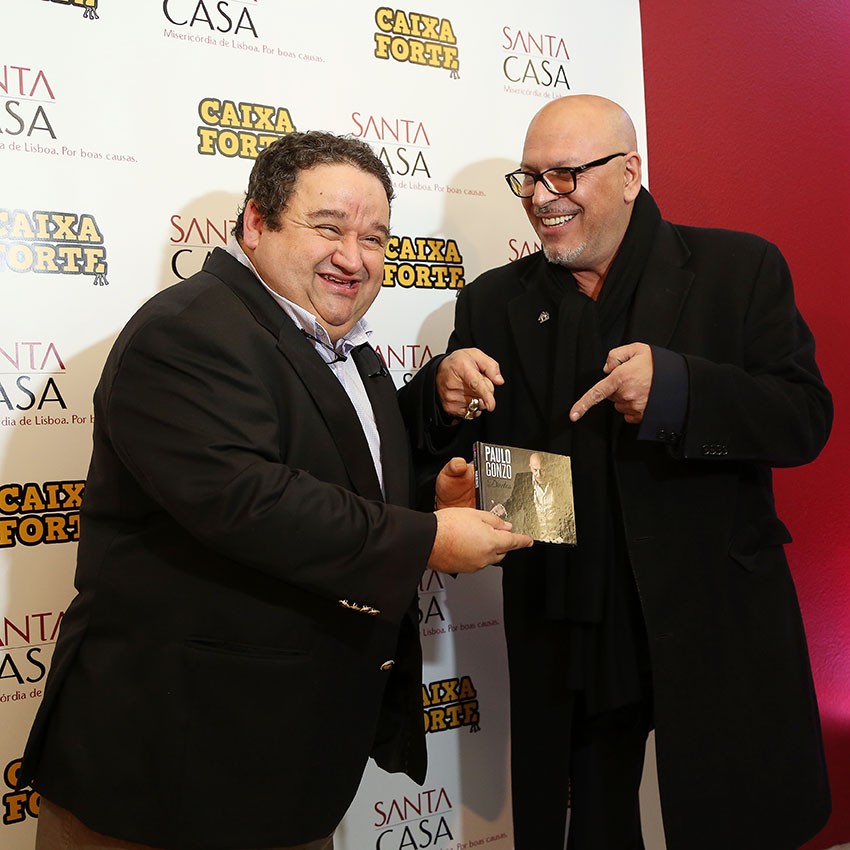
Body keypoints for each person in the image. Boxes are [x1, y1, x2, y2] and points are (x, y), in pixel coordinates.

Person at [17, 131, 533, 850]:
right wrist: (429, 541)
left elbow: (337, 461)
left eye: (374, 238)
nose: (354, 257)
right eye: (328, 227)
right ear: (256, 223)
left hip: (285, 764)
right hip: (170, 771)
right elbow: (251, 500)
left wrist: (434, 406)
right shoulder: (186, 333)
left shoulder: (328, 332)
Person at [398, 94, 833, 850]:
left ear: (630, 174)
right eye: (530, 178)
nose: (542, 197)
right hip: (565, 623)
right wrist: (441, 397)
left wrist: (679, 391)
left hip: (712, 612)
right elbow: (468, 460)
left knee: (736, 817)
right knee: (586, 828)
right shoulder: (493, 301)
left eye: (565, 175)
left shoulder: (738, 269)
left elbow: (803, 419)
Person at [489, 451, 575, 544]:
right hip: (533, 539)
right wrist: (502, 508)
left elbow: (567, 512)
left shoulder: (559, 483)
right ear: (530, 467)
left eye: (543, 470)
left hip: (559, 540)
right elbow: (515, 501)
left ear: (548, 466)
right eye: (535, 470)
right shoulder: (522, 480)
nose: (539, 474)